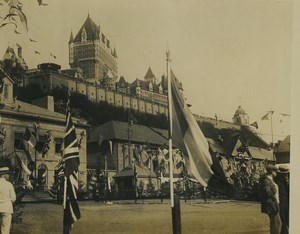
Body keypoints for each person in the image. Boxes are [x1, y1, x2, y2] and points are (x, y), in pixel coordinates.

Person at [260, 164, 282, 234]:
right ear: (271, 171)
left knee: (277, 223)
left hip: (274, 203)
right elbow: (268, 193)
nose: (276, 173)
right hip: (271, 204)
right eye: (275, 171)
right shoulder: (266, 180)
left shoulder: (270, 179)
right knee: (275, 224)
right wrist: (274, 190)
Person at [0, 167, 16, 234]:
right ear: (4, 175)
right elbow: (13, 198)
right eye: (8, 174)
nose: (9, 176)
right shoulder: (9, 184)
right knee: (5, 229)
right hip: (6, 208)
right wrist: (7, 201)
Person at [276, 165, 289, 234]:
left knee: (286, 220)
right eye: (285, 174)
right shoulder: (278, 182)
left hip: (286, 202)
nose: (286, 175)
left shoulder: (285, 181)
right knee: (284, 220)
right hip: (282, 203)